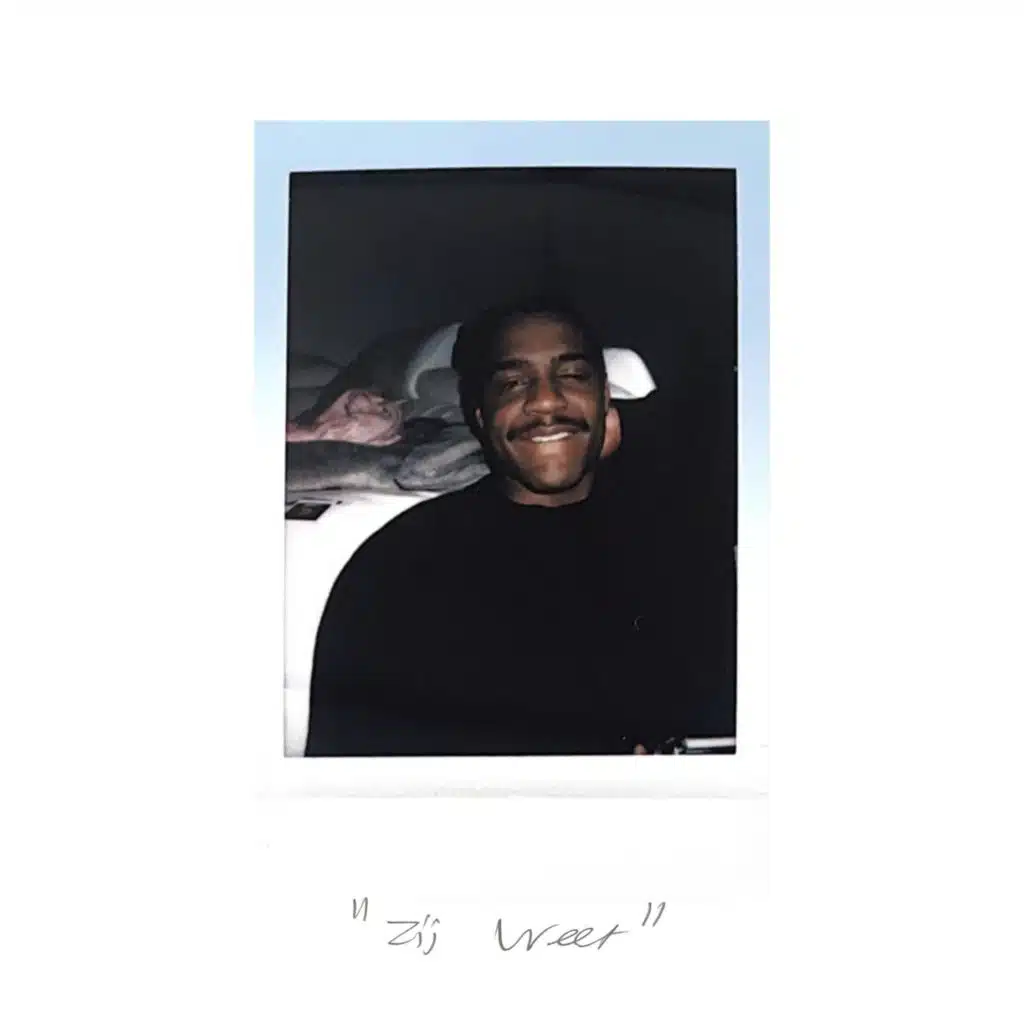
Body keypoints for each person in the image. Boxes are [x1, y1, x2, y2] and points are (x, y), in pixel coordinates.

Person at [304, 297, 735, 756]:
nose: (546, 400)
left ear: (605, 399)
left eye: (573, 376)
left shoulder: (681, 549)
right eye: (512, 383)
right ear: (479, 414)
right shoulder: (397, 570)